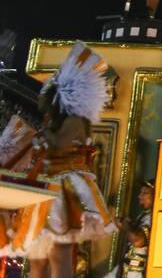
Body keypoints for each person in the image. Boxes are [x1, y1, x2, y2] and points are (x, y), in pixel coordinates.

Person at [7, 43, 117, 277]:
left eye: (46, 97)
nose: (41, 101)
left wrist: (42, 134)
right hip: (44, 190)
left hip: (63, 191)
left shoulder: (76, 121)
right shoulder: (55, 123)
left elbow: (59, 145)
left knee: (60, 252)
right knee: (37, 256)